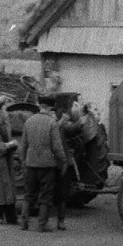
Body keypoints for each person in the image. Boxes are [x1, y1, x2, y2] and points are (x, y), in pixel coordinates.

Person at [19, 94, 67, 232]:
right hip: (47, 166)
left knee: (29, 194)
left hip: (31, 163)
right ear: (50, 107)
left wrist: (23, 161)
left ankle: (24, 222)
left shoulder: (29, 121)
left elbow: (22, 146)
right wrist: (63, 161)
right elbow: (57, 148)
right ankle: (42, 224)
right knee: (45, 196)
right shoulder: (52, 123)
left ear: (40, 106)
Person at [54, 100, 85, 231]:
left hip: (57, 163)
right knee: (59, 192)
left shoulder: (57, 126)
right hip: (59, 161)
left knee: (56, 192)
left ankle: (49, 220)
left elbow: (72, 129)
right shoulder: (56, 126)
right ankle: (56, 220)